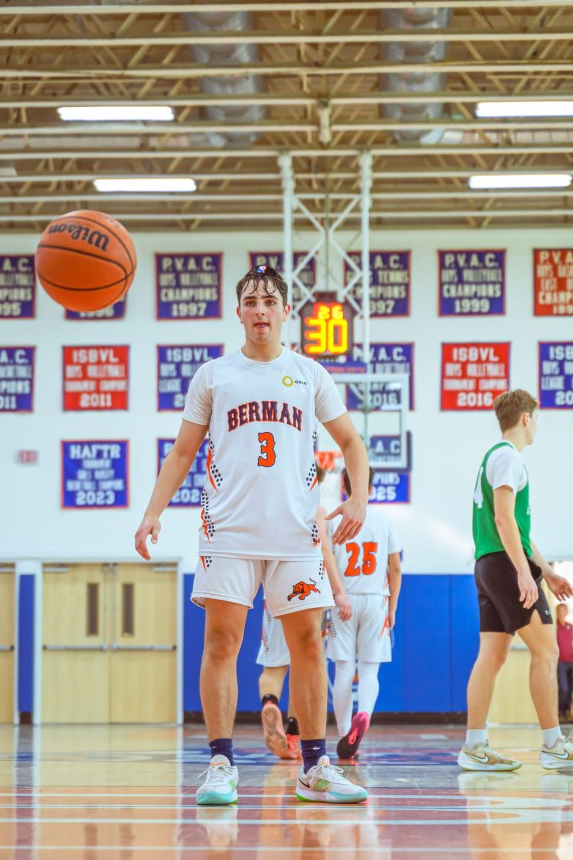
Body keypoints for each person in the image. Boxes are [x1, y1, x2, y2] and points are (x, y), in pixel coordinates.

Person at [135, 264, 369, 805]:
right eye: (251, 301)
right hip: (229, 531)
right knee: (222, 643)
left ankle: (315, 767)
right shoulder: (213, 375)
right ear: (238, 312)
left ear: (286, 312)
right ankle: (221, 764)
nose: (260, 309)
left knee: (308, 645)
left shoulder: (310, 374)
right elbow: (182, 452)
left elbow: (352, 443)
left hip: (296, 533)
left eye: (269, 301)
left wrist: (358, 497)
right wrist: (152, 512)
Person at [458, 388, 573, 772]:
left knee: (492, 655)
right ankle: (553, 745)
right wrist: (523, 571)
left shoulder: (496, 457)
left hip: (488, 563)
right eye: (536, 419)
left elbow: (517, 529)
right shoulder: (508, 457)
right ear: (525, 418)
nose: (536, 426)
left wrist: (546, 570)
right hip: (504, 564)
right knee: (547, 651)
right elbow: (504, 520)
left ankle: (474, 746)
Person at [257, 463, 352, 761]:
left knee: (273, 668)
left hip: (275, 592)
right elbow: (325, 551)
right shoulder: (316, 510)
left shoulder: (271, 508)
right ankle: (295, 737)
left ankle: (270, 702)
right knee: (305, 666)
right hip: (309, 592)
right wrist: (338, 591)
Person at [327, 466, 402, 761]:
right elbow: (395, 569)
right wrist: (392, 608)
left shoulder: (334, 519)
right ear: (370, 488)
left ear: (343, 486)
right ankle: (365, 715)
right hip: (376, 599)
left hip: (343, 599)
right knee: (370, 670)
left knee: (344, 669)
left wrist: (336, 594)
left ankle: (344, 732)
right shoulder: (384, 521)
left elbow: (326, 562)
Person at [556, 603, 573, 721]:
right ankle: (560, 711)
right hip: (560, 663)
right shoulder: (554, 627)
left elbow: (571, 643)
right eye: (559, 610)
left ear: (567, 612)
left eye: (564, 610)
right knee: (563, 689)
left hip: (572, 662)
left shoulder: (570, 627)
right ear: (556, 612)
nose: (562, 613)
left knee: (570, 689)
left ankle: (567, 712)